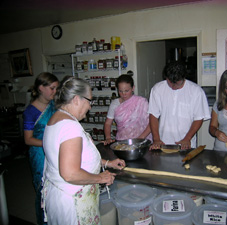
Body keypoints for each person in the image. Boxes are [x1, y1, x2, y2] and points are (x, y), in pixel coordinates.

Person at [42, 77, 125, 224]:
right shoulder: (70, 127)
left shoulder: (56, 119)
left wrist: (107, 163)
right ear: (76, 99)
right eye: (89, 100)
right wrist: (101, 177)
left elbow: (77, 157)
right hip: (72, 202)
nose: (90, 106)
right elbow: (71, 174)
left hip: (59, 196)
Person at [23, 72, 59, 225]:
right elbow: (28, 139)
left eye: (56, 88)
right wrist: (48, 143)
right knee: (43, 188)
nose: (54, 92)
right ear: (40, 88)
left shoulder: (54, 105)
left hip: (55, 150)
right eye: (52, 88)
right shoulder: (30, 112)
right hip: (40, 153)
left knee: (56, 186)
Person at [148, 61, 210, 150]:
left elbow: (199, 118)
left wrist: (187, 138)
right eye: (170, 83)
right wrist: (156, 139)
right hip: (163, 143)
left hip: (186, 144)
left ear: (183, 78)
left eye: (177, 83)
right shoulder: (157, 89)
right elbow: (153, 115)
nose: (173, 87)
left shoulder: (196, 91)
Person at [104, 74, 152, 144]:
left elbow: (151, 123)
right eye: (120, 91)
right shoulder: (114, 104)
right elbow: (108, 123)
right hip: (122, 142)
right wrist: (108, 138)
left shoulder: (141, 102)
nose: (123, 94)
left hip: (142, 141)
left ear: (133, 88)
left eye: (126, 91)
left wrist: (139, 139)